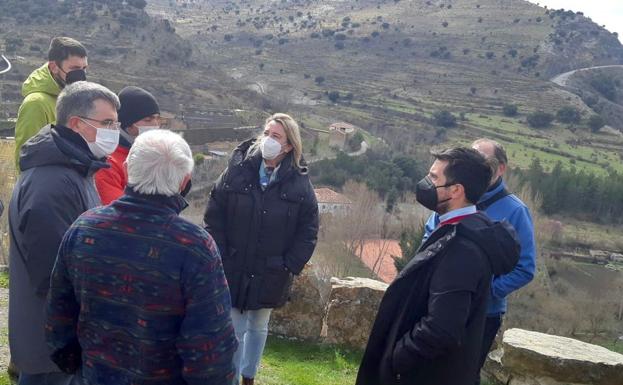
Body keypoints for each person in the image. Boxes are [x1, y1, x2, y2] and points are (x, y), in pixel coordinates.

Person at [45, 129, 237, 385]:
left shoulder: (84, 228)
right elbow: (209, 346)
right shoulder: (194, 246)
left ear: (127, 168)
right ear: (184, 181)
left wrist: (75, 366)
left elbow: (59, 314)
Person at [356, 147, 520, 385]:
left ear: (456, 190)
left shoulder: (462, 249)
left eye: (434, 178)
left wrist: (398, 357)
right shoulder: (460, 229)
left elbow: (443, 327)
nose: (426, 183)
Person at [8, 81, 119, 385]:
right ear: (76, 123)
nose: (114, 130)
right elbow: (53, 273)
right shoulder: (52, 183)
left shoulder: (75, 170)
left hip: (60, 339)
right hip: (51, 344)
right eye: (107, 122)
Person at [204, 113, 319, 385]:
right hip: (233, 265)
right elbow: (214, 215)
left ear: (289, 145)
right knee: (234, 328)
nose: (268, 140)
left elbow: (309, 229)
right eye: (266, 133)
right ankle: (230, 378)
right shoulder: (237, 171)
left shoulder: (299, 183)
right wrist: (219, 254)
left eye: (276, 136)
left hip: (271, 270)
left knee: (258, 326)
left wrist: (288, 264)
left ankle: (249, 377)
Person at [423, 138, 536, 384]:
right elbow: (428, 237)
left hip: (482, 315)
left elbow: (525, 268)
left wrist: (485, 292)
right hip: (438, 303)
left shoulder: (515, 210)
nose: (479, 163)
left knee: (462, 374)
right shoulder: (450, 196)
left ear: (502, 168)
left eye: (486, 160)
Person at [14, 37, 88, 167]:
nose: (80, 74)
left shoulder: (70, 98)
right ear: (54, 67)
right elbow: (26, 157)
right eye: (75, 68)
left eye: (84, 68)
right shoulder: (35, 103)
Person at [95, 86, 161, 204]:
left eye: (157, 118)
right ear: (128, 124)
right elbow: (117, 209)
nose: (155, 124)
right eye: (148, 120)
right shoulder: (107, 163)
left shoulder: (150, 153)